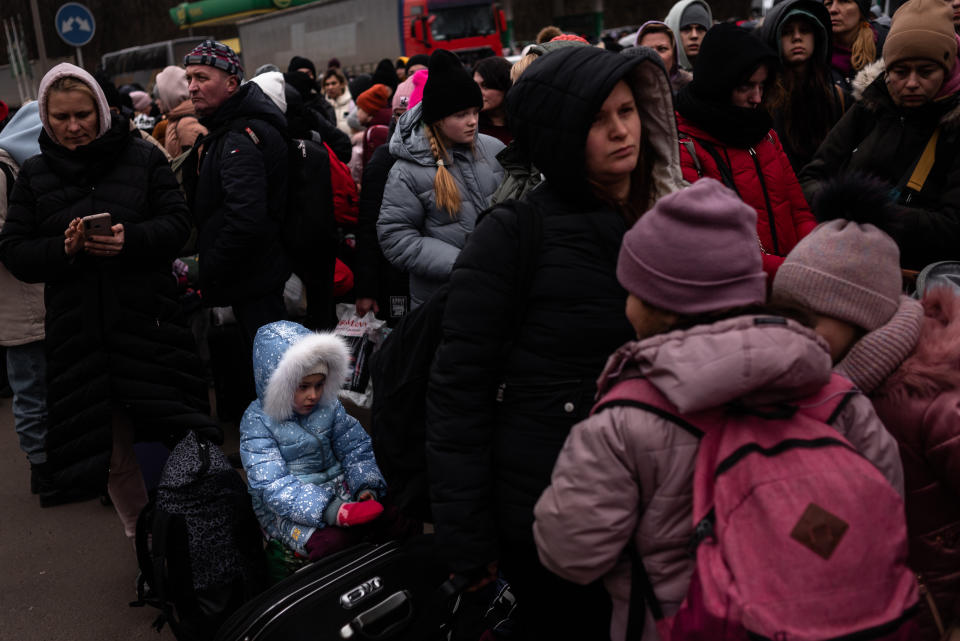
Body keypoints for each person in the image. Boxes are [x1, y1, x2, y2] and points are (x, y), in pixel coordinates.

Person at [531, 178, 905, 641]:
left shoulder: (623, 420)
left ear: (662, 307)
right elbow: (886, 512)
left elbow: (571, 553)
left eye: (632, 289)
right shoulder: (838, 396)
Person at [426, 45, 686, 640]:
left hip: (662, 500)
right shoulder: (515, 232)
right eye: (598, 119)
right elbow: (458, 388)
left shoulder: (670, 217)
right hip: (553, 507)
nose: (622, 131)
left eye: (628, 110)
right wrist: (468, 538)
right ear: (560, 130)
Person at [0, 64, 219, 525]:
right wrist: (64, 247)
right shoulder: (34, 174)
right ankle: (144, 543)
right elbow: (16, 251)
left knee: (172, 435)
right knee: (111, 450)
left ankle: (188, 534)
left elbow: (179, 224)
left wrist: (130, 241)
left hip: (148, 323)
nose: (73, 126)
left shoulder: (143, 156)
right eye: (60, 117)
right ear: (45, 116)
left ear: (100, 110)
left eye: (82, 114)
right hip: (80, 337)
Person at [771, 174, 960, 639]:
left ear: (863, 317)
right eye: (784, 316)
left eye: (807, 320)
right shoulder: (826, 385)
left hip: (933, 608)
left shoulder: (931, 403)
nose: (790, 333)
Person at [799, 0, 960, 270]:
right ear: (886, 71)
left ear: (946, 69)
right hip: (846, 260)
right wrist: (841, 202)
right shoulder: (871, 105)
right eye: (900, 71)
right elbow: (810, 178)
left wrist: (872, 211)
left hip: (916, 276)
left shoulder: (954, 127)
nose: (911, 83)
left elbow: (953, 227)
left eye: (925, 72)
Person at [239, 321, 393, 571]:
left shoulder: (329, 407)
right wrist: (331, 510)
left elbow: (356, 447)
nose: (313, 395)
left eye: (319, 385)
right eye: (303, 387)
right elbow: (273, 485)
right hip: (290, 511)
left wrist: (365, 486)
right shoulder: (257, 423)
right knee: (332, 544)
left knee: (395, 516)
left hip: (341, 491)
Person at [676, 23, 815, 279]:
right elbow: (715, 246)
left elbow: (798, 211)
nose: (757, 98)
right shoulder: (686, 146)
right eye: (746, 87)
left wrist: (818, 255)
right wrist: (796, 271)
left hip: (791, 283)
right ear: (718, 84)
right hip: (737, 295)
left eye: (762, 86)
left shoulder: (765, 135)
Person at [376, 49, 504, 309]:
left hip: (500, 289)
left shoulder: (495, 150)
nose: (472, 122)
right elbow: (396, 236)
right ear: (438, 119)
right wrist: (462, 264)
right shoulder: (406, 170)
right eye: (460, 115)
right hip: (442, 299)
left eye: (474, 112)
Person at [185, 40, 291, 349]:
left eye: (202, 78)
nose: (192, 87)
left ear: (232, 83)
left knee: (272, 375)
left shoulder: (239, 138)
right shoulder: (232, 129)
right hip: (250, 277)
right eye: (189, 78)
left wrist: (208, 269)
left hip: (251, 280)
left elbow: (245, 219)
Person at [0, 102, 47, 493]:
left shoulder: (17, 165)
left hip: (34, 300)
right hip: (19, 303)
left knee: (41, 385)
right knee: (30, 389)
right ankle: (43, 471)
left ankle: (51, 463)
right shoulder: (4, 168)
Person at [758, 0, 850, 172]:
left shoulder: (837, 96)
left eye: (805, 30)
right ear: (775, 38)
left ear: (817, 36)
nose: (797, 37)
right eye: (787, 32)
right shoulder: (762, 100)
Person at [826, 0, 887, 88]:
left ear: (862, 12)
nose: (833, 10)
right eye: (828, 3)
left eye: (844, 2)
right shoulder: (814, 52)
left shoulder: (886, 47)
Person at [154, 65, 206, 158]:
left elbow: (199, 168)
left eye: (160, 96)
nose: (156, 101)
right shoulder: (176, 119)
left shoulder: (186, 125)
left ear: (170, 96)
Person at [634, 21, 693, 92]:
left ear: (674, 56)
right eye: (647, 50)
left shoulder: (691, 90)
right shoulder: (626, 89)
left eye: (662, 49)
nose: (654, 56)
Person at [472, 56, 512, 145]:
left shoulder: (524, 124)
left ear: (504, 86)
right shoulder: (471, 129)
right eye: (475, 86)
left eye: (485, 85)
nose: (478, 92)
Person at [665, 0, 713, 72]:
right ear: (674, 31)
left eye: (700, 29)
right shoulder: (660, 77)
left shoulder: (722, 75)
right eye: (686, 29)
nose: (694, 35)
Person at [322, 67, 354, 135]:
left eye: (333, 83)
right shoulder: (323, 107)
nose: (330, 87)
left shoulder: (352, 103)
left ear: (342, 84)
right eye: (327, 84)